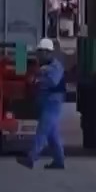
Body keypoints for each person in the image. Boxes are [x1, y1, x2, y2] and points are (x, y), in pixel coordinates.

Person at [22, 38, 67, 170]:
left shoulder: (56, 67)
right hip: (47, 101)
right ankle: (59, 161)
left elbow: (52, 81)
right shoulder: (43, 66)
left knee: (42, 130)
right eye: (38, 52)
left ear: (48, 53)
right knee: (52, 134)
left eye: (41, 52)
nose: (39, 55)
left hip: (53, 102)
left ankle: (32, 157)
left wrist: (37, 80)